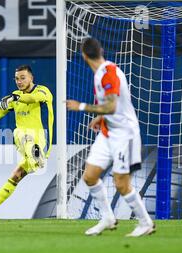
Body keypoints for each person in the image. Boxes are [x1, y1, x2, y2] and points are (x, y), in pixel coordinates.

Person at [66, 37, 155, 237]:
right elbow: (109, 107)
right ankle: (107, 217)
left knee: (121, 183)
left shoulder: (109, 72)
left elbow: (112, 106)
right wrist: (100, 117)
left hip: (125, 134)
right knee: (89, 176)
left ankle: (145, 222)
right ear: (101, 50)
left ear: (83, 55)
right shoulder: (99, 74)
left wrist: (80, 106)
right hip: (107, 133)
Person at [0, 65, 54, 220]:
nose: (19, 81)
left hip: (42, 140)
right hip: (25, 142)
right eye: (17, 78)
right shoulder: (15, 96)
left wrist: (15, 97)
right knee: (19, 134)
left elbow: (33, 98)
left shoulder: (43, 91)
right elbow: (1, 110)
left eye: (23, 77)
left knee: (17, 173)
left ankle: (36, 155)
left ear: (32, 78)